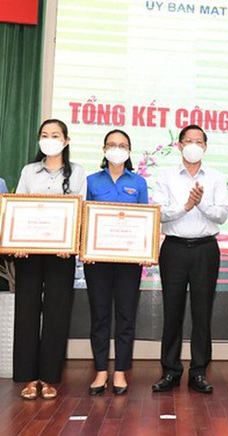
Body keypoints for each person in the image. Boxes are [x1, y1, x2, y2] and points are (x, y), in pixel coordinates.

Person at [151, 124, 228, 394]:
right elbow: (159, 213)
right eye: (188, 140)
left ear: (205, 147)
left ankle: (199, 372)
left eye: (199, 141)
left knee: (202, 312)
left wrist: (201, 203)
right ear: (180, 145)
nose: (194, 145)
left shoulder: (217, 177)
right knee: (172, 312)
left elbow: (221, 214)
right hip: (173, 249)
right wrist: (186, 205)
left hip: (206, 249)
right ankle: (170, 371)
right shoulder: (165, 176)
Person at [13, 119, 87, 400]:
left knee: (57, 314)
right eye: (44, 135)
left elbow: (80, 211)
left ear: (66, 141)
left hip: (61, 253)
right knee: (27, 312)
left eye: (55, 135)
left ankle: (49, 377)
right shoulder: (29, 171)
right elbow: (17, 207)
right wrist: (16, 243)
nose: (49, 139)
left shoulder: (77, 172)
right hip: (29, 252)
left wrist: (71, 243)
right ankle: (28, 378)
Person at [84, 129, 148, 396]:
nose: (117, 149)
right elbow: (83, 218)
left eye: (122, 145)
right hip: (97, 260)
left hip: (129, 261)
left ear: (130, 151)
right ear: (104, 149)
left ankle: (120, 371)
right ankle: (100, 370)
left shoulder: (139, 182)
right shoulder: (90, 180)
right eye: (112, 144)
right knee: (99, 315)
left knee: (125, 315)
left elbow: (146, 218)